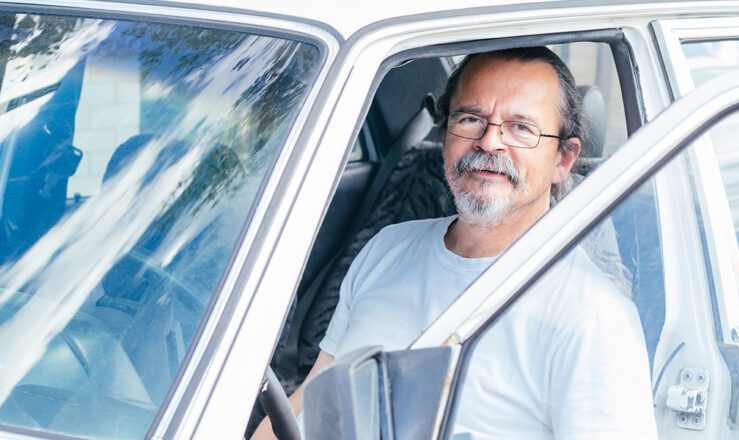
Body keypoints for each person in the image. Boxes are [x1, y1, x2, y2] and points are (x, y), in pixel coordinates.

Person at [253, 47, 657, 439]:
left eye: (521, 127)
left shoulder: (592, 317)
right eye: (470, 119)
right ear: (445, 134)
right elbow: (306, 403)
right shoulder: (386, 248)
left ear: (563, 160)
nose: (489, 142)